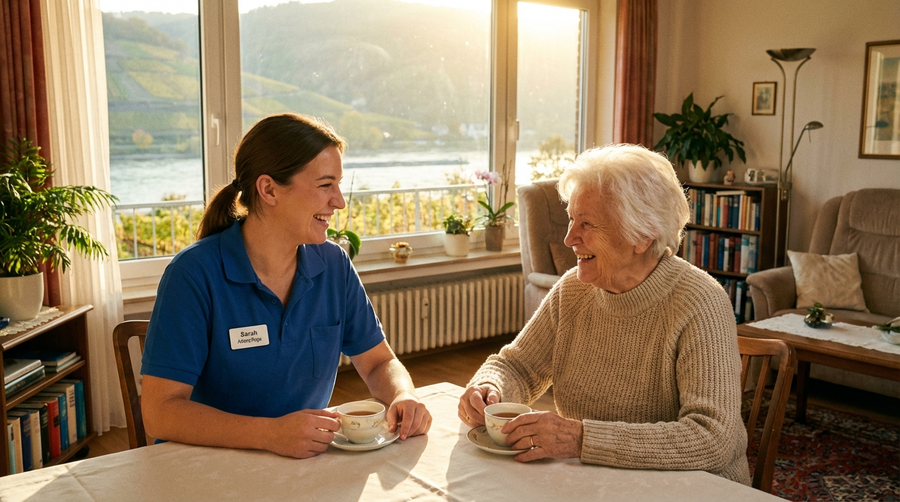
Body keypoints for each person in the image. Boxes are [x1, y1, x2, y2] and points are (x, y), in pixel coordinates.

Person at [141, 113, 431, 459]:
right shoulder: (193, 274)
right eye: (325, 185)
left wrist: (403, 394)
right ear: (268, 189)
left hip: (300, 461)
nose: (339, 201)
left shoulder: (334, 265)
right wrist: (270, 434)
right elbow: (160, 412)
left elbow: (377, 363)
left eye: (338, 184)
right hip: (206, 466)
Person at [458, 144, 750, 484]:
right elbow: (517, 367)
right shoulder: (573, 290)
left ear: (643, 236)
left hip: (696, 489)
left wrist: (582, 440)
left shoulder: (700, 302)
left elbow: (712, 438)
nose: (569, 238)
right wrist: (489, 387)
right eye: (572, 219)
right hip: (600, 482)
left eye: (587, 224)